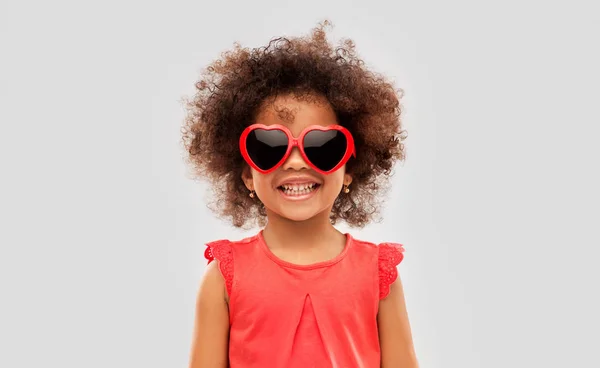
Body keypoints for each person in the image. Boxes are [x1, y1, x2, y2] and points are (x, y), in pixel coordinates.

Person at [182, 21, 419, 368]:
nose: (295, 162)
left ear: (350, 168)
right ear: (247, 174)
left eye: (321, 146)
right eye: (269, 146)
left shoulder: (377, 272)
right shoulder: (224, 275)